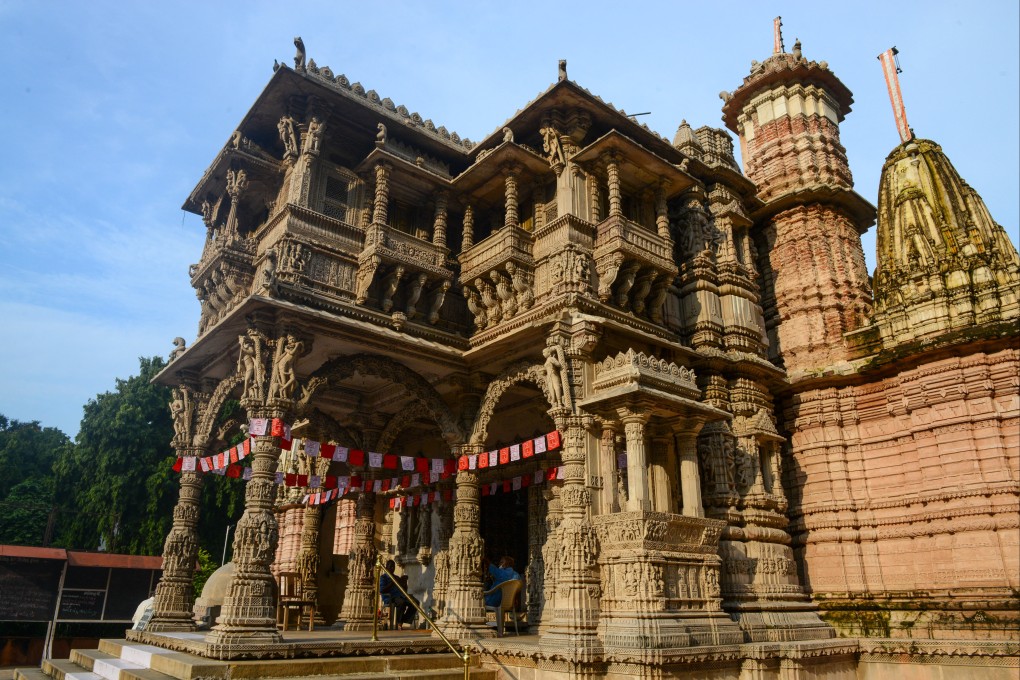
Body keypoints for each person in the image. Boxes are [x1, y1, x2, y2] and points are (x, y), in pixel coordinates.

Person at [379, 559, 417, 628]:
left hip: (400, 595)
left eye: (393, 567)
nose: (392, 568)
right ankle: (399, 623)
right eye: (390, 567)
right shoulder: (383, 577)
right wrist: (393, 582)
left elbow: (404, 590)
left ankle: (404, 620)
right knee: (401, 602)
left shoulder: (396, 577)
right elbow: (382, 590)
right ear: (386, 567)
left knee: (415, 602)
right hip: (390, 597)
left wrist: (404, 582)